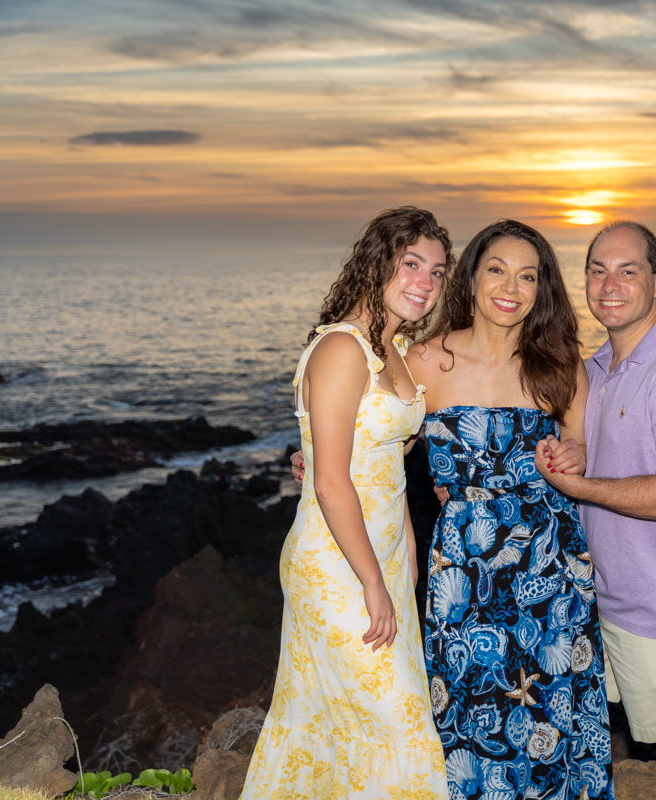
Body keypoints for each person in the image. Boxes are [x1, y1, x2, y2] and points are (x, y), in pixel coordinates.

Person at [242, 207, 452, 800]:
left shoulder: (395, 349)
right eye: (411, 263)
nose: (425, 282)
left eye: (437, 271)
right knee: (397, 724)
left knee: (326, 727)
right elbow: (332, 482)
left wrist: (407, 547)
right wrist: (373, 582)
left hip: (379, 554)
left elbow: (388, 465)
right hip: (337, 567)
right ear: (375, 263)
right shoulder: (342, 348)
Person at [406, 220, 614, 800]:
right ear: (470, 276)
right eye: (497, 268)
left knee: (551, 714)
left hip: (550, 571)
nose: (511, 286)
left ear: (541, 288)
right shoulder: (424, 363)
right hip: (464, 572)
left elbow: (581, 451)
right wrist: (317, 452)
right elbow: (377, 447)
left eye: (528, 275)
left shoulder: (559, 365)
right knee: (471, 717)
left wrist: (572, 454)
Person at [534, 221, 656, 800]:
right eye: (597, 270)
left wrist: (582, 488)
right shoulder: (597, 368)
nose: (609, 284)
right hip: (607, 594)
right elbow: (596, 447)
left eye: (628, 270)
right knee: (631, 734)